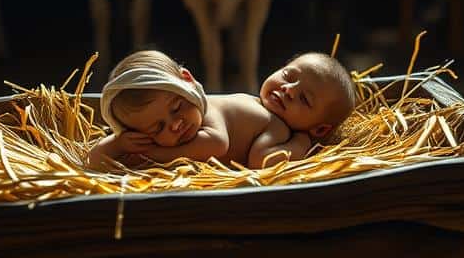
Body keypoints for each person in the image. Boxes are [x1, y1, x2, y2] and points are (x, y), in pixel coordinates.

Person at [87, 49, 358, 170]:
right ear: (188, 83)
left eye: (304, 99)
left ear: (320, 128)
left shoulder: (276, 126)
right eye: (287, 76)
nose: (174, 124)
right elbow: (94, 160)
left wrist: (300, 143)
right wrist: (118, 142)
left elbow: (259, 160)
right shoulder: (208, 107)